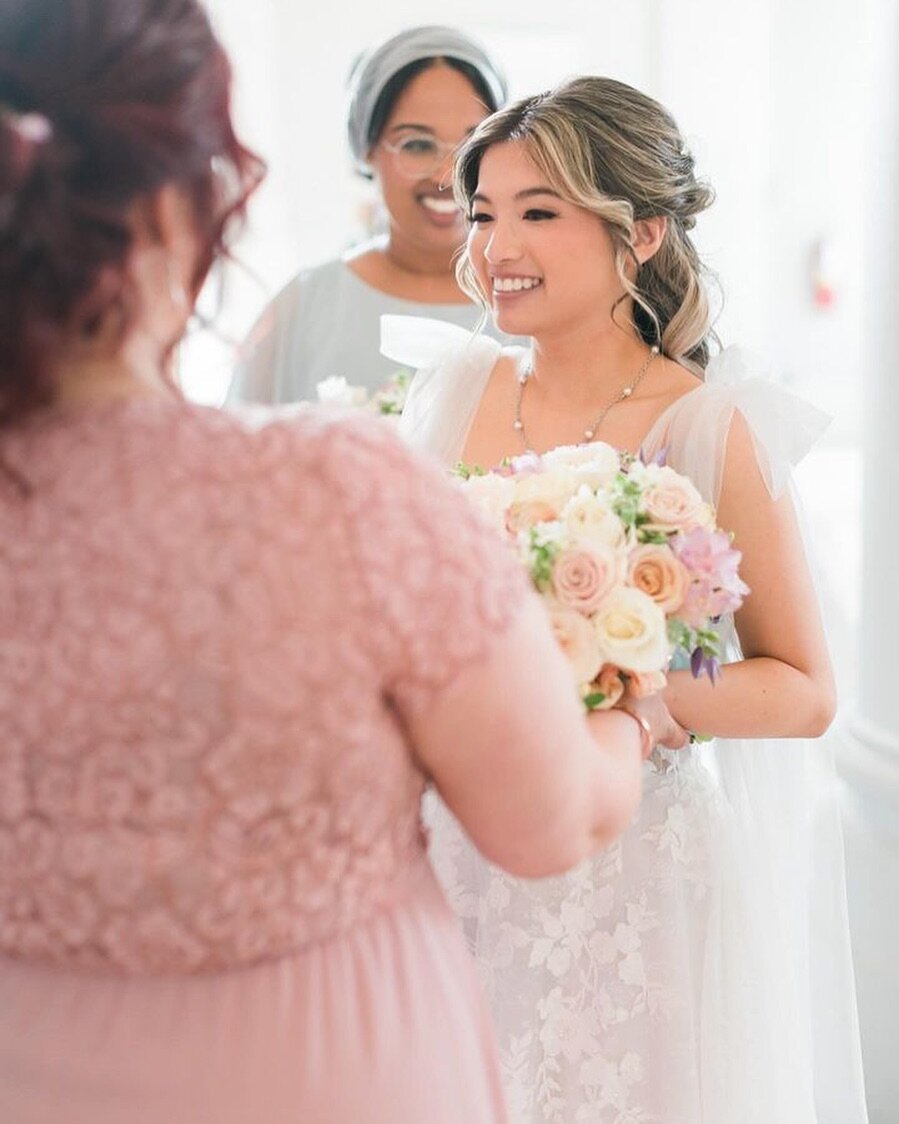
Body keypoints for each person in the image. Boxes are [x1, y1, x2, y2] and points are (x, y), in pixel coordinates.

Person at [0, 10, 681, 1123]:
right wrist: (633, 709)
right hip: (319, 1075)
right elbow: (545, 819)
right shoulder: (338, 490)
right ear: (178, 208)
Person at [386, 77, 869, 1123]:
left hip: (630, 878)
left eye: (537, 212)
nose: (492, 245)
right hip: (459, 847)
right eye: (482, 213)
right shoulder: (452, 390)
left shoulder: (709, 423)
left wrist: (627, 692)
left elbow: (801, 689)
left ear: (640, 230)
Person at [229, 24, 511, 405]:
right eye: (417, 145)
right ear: (366, 149)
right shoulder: (303, 308)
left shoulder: (540, 302)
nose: (447, 175)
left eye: (472, 144)